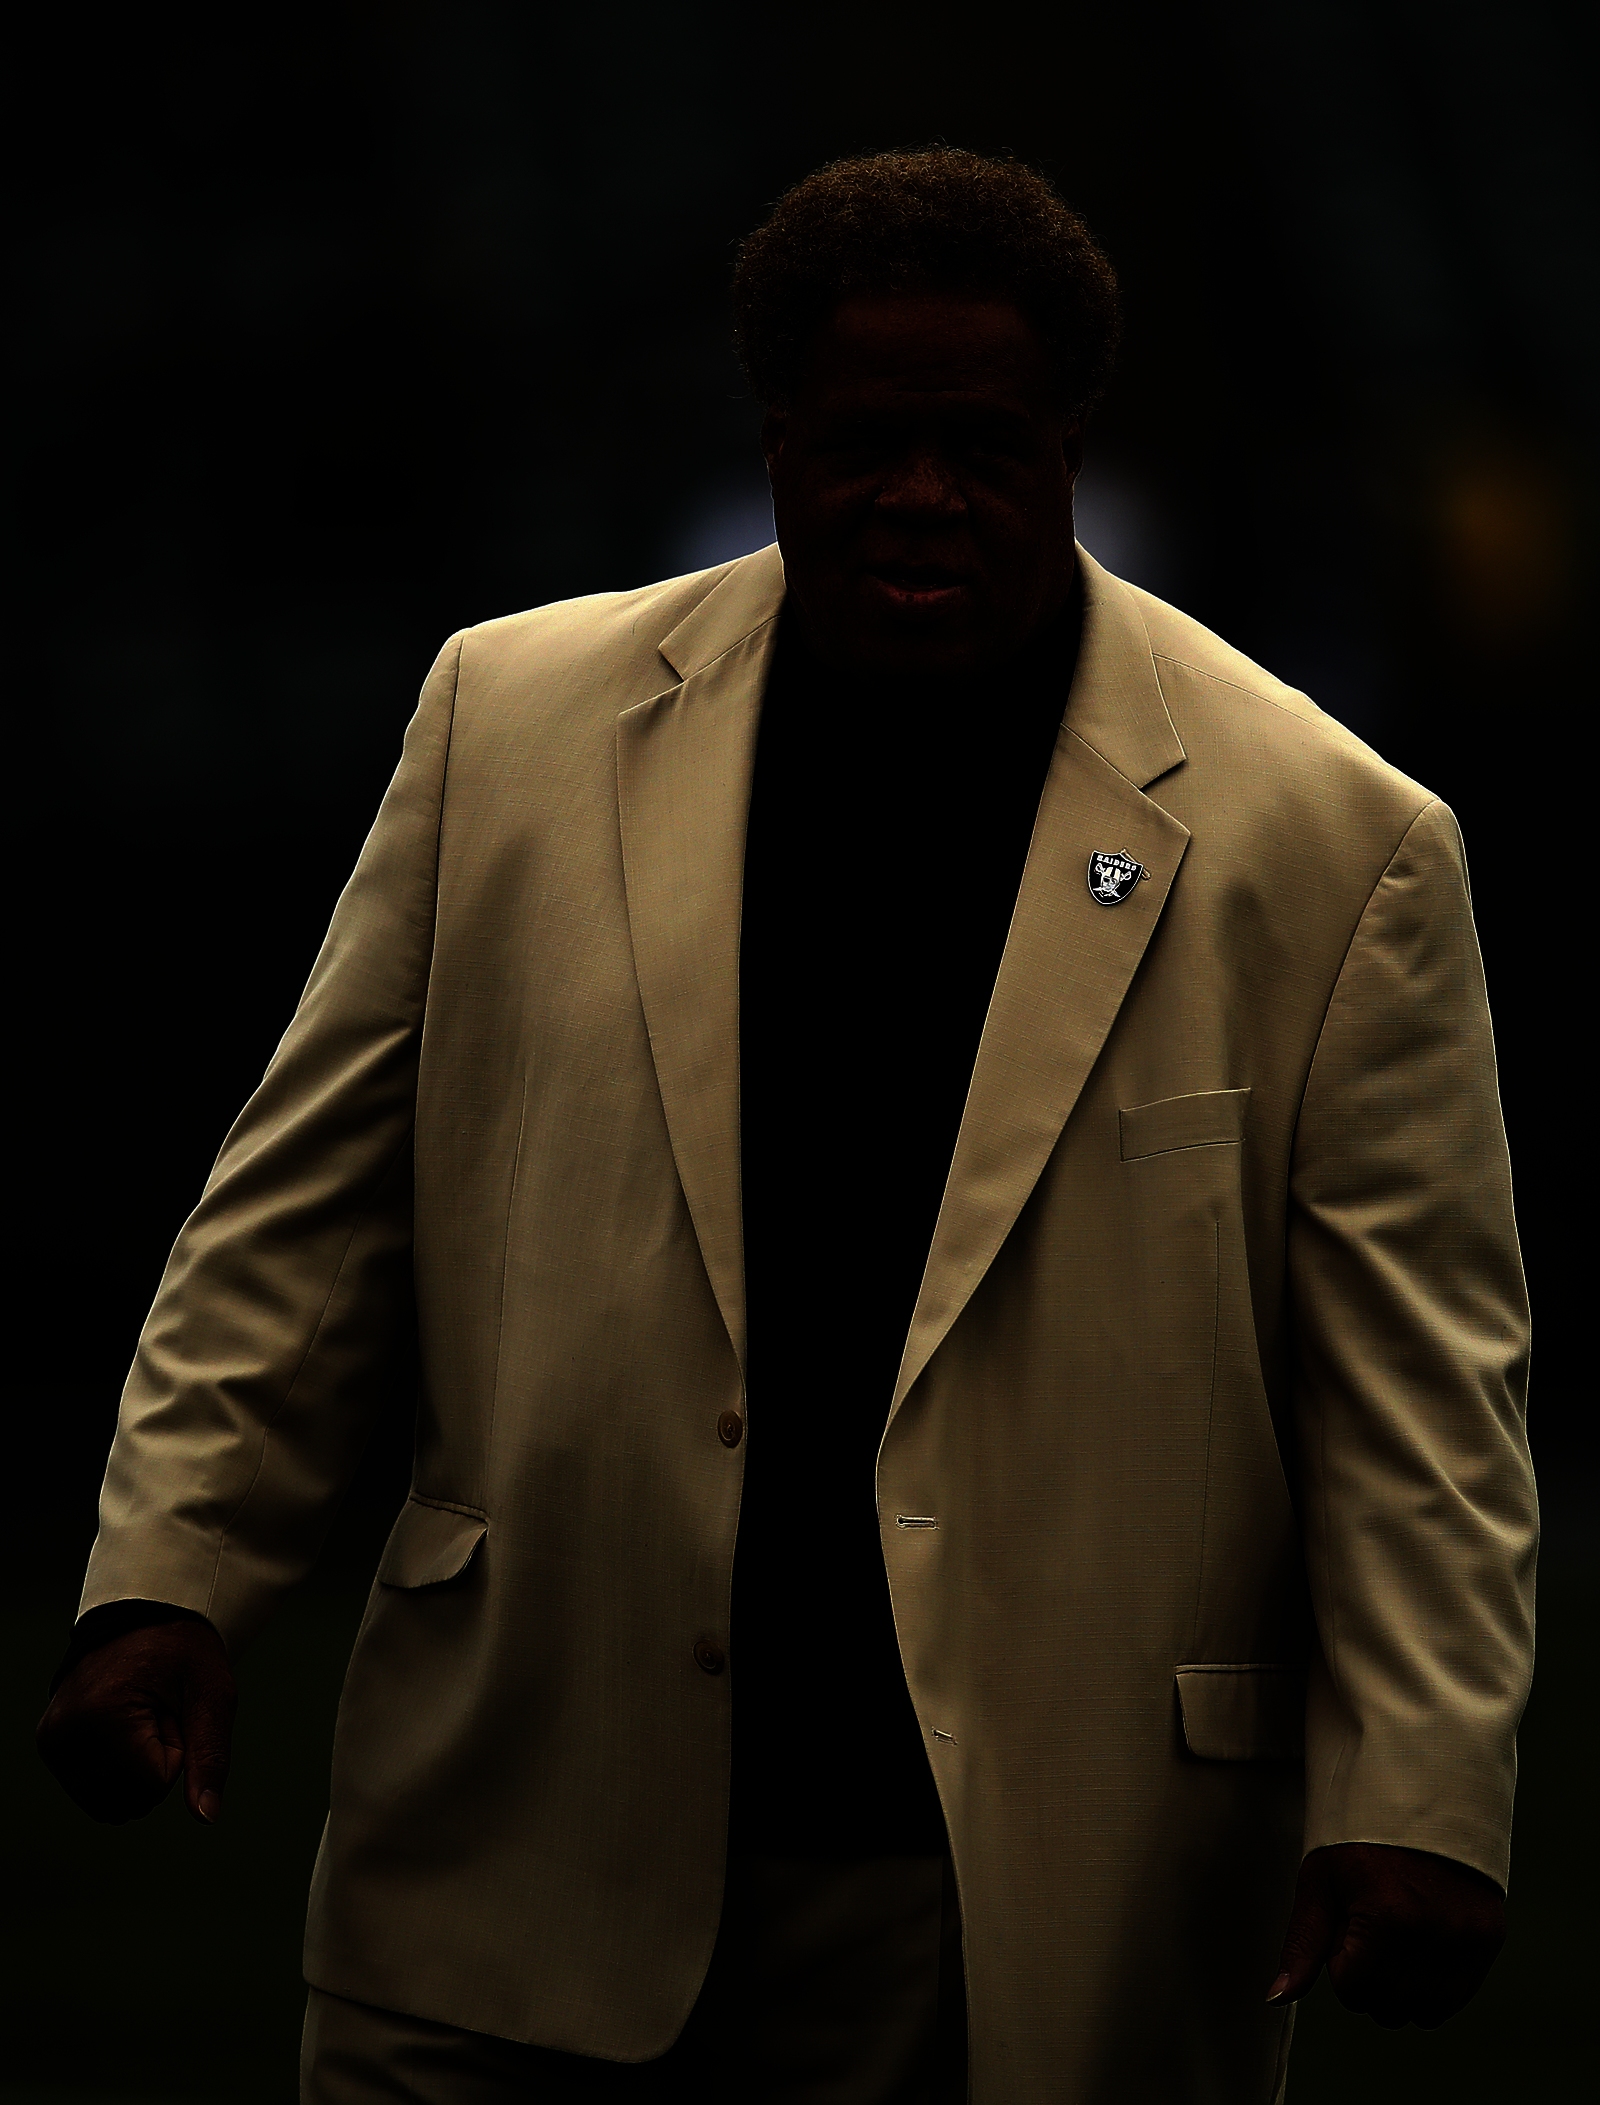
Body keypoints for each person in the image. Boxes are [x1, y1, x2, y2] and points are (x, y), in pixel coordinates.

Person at [38, 148, 1534, 2104]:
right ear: (770, 445)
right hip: (507, 1857)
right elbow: (303, 1223)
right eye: (861, 443)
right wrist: (165, 1575)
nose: (918, 492)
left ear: (1069, 449)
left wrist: (1422, 1788)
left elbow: (1416, 1393)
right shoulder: (507, 722)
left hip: (1016, 1922)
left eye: (978, 444)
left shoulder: (1332, 839)